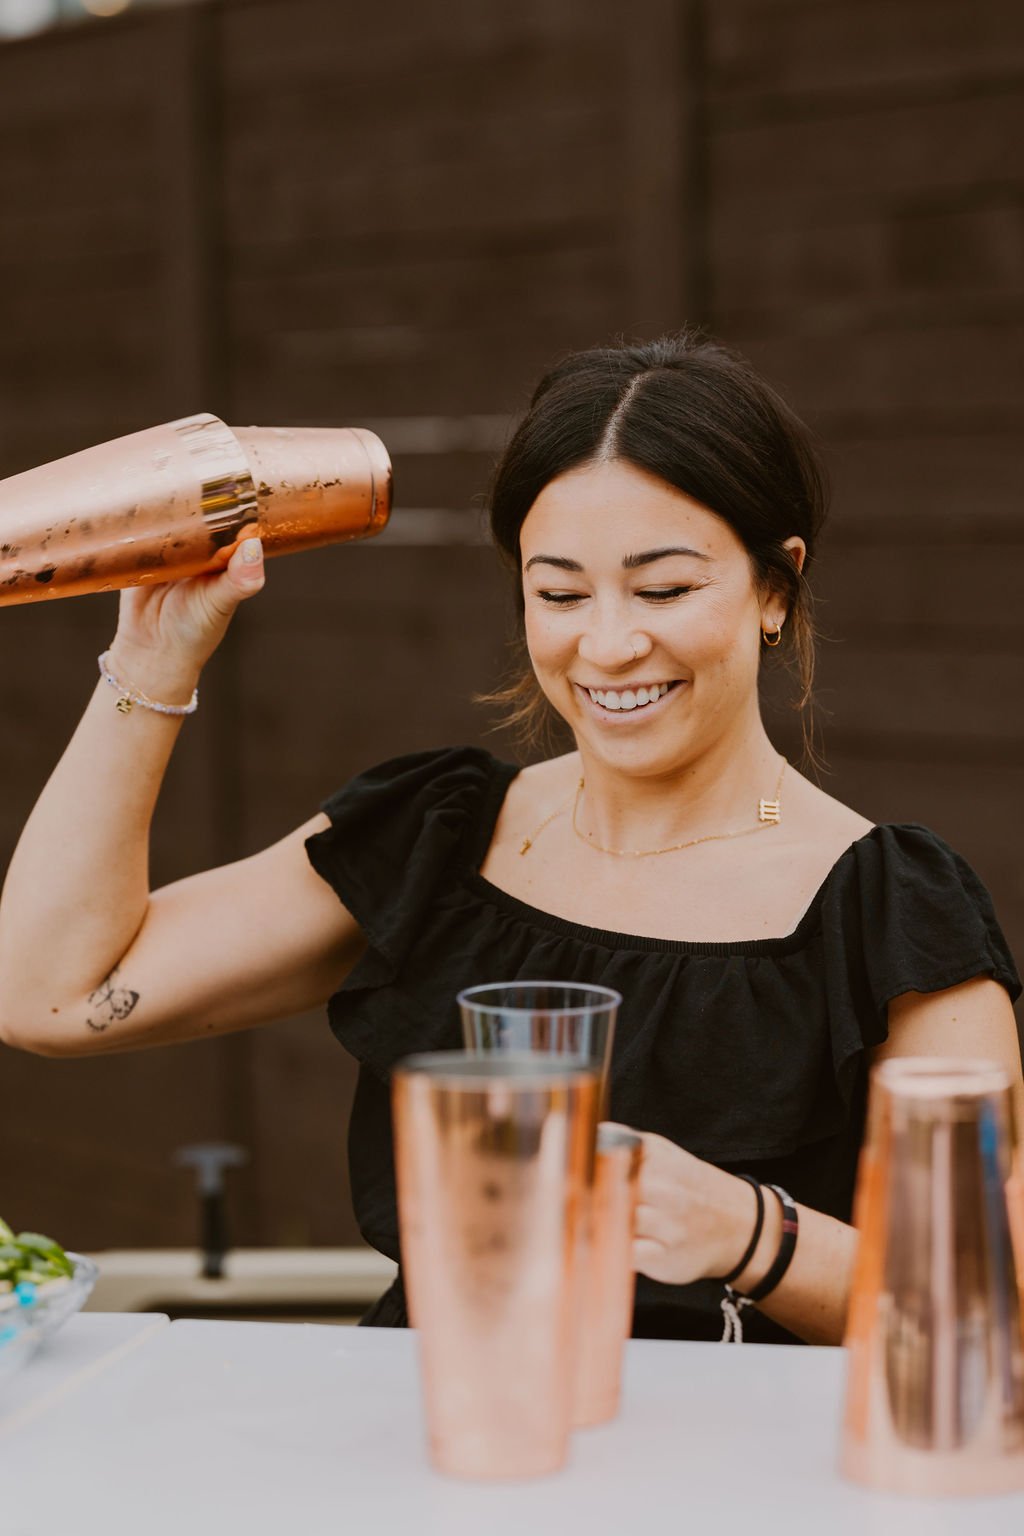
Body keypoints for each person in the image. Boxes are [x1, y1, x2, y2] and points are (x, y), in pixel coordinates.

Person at [0, 333, 1020, 1347]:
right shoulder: (435, 839)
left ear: (773, 588)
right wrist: (154, 656)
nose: (609, 644)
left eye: (664, 589)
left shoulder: (886, 914)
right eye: (560, 593)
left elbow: (993, 1309)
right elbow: (49, 995)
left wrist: (750, 1233)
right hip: (439, 1451)